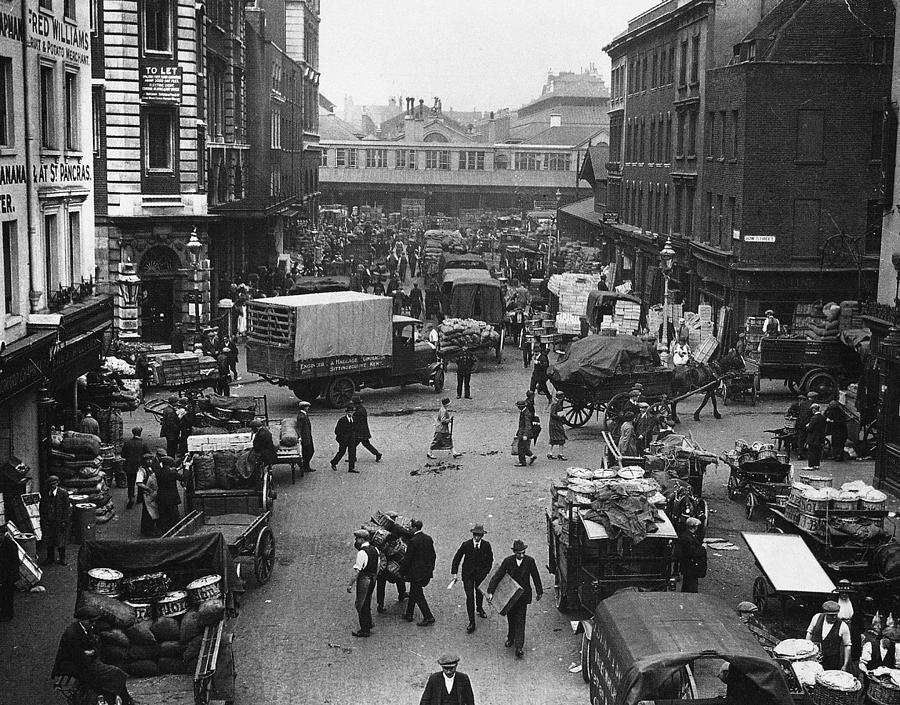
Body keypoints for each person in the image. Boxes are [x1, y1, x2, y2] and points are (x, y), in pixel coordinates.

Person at [54, 609, 135, 705]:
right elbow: (77, 656)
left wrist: (92, 652)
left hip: (86, 660)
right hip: (74, 665)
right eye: (90, 621)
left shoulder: (85, 628)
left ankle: (121, 700)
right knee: (115, 673)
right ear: (82, 620)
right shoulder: (72, 634)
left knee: (113, 674)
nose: (93, 623)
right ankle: (125, 701)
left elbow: (95, 646)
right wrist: (91, 655)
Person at [486, 539, 543, 658]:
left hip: (523, 596)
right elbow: (498, 575)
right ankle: (510, 637)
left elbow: (535, 576)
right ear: (514, 552)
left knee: (521, 620)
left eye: (523, 552)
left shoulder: (530, 561)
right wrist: (490, 591)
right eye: (519, 553)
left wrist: (539, 591)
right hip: (510, 596)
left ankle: (519, 647)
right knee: (511, 619)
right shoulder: (508, 561)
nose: (521, 555)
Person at [451, 524, 493, 634]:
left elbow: (490, 559)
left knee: (479, 593)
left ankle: (479, 608)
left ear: (482, 536)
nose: (477, 537)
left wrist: (486, 572)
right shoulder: (466, 545)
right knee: (470, 597)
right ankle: (472, 622)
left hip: (480, 575)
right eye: (475, 535)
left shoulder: (486, 546)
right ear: (473, 535)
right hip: (468, 575)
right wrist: (454, 573)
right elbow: (457, 558)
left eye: (479, 535)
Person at [401, 518, 436, 626]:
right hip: (425, 572)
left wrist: (402, 571)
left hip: (415, 573)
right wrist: (430, 569)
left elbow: (407, 559)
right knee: (414, 592)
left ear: (415, 528)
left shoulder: (413, 541)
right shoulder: (428, 538)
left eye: (410, 527)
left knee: (418, 595)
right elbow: (433, 556)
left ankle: (428, 616)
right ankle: (409, 614)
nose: (409, 529)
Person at [346, 529, 379, 637]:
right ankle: (368, 623)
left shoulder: (362, 552)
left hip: (364, 580)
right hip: (373, 578)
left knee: (361, 604)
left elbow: (357, 571)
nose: (356, 540)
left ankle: (364, 629)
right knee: (367, 600)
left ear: (362, 539)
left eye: (357, 538)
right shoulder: (375, 549)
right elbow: (378, 565)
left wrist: (350, 584)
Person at [806, 600, 852, 671]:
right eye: (831, 615)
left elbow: (847, 645)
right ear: (825, 613)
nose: (834, 617)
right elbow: (809, 632)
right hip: (814, 657)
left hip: (831, 661)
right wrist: (807, 648)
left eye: (835, 615)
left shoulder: (843, 626)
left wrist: (845, 664)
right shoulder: (816, 617)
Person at [39, 476, 71, 565]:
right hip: (49, 521)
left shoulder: (63, 493)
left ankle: (62, 559)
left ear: (57, 483)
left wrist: (64, 521)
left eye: (54, 483)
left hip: (60, 521)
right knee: (49, 540)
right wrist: (43, 518)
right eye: (51, 484)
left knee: (61, 540)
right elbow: (42, 506)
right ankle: (50, 558)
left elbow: (66, 508)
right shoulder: (45, 493)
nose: (52, 485)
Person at [673, 517, 707, 593]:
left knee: (687, 586)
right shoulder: (687, 538)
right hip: (690, 568)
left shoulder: (687, 535)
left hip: (689, 568)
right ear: (694, 527)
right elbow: (693, 552)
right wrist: (703, 548)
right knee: (691, 588)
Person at [155, 455, 185, 534]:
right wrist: (187, 467)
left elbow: (172, 471)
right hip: (171, 498)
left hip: (161, 497)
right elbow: (184, 477)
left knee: (164, 517)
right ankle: (178, 532)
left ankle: (165, 533)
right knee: (175, 516)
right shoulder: (172, 473)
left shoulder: (158, 472)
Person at [121, 426, 148, 510]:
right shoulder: (143, 443)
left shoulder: (127, 443)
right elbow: (148, 455)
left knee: (130, 483)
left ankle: (131, 496)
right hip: (140, 467)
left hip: (129, 466)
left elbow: (123, 455)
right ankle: (140, 498)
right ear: (140, 433)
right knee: (140, 481)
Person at [352, 395, 382, 462]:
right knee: (366, 444)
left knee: (353, 445)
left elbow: (357, 422)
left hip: (360, 432)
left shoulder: (359, 411)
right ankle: (377, 454)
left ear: (356, 404)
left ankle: (353, 458)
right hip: (363, 432)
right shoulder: (361, 409)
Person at [135, 453, 159, 536]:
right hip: (147, 494)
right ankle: (146, 529)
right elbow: (139, 483)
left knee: (154, 510)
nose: (149, 461)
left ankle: (151, 527)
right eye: (147, 460)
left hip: (153, 493)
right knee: (147, 512)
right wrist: (148, 489)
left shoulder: (152, 468)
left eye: (150, 459)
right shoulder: (141, 470)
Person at [0, 526, 20, 621]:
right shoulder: (3, 544)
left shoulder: (11, 545)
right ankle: (3, 612)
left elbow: (15, 562)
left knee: (8, 595)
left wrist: (11, 576)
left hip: (8, 574)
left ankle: (8, 614)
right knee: (3, 594)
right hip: (3, 574)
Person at [331, 405, 359, 473]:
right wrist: (342, 438)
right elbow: (337, 431)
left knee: (352, 453)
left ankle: (351, 468)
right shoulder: (342, 420)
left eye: (352, 412)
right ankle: (334, 462)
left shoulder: (354, 419)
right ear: (346, 413)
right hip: (343, 440)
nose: (350, 414)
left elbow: (356, 429)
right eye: (349, 412)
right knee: (341, 452)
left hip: (352, 440)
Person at [296, 401, 316, 473]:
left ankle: (306, 466)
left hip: (307, 436)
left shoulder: (304, 415)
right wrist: (299, 437)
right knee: (309, 451)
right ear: (304, 407)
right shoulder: (301, 416)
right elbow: (299, 427)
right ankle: (304, 466)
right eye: (307, 407)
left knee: (308, 452)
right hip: (305, 438)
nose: (308, 408)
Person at [515, 400, 536, 466]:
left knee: (520, 447)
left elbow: (528, 425)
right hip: (522, 432)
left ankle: (522, 462)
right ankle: (531, 456)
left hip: (524, 433)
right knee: (524, 446)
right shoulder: (525, 411)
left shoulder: (525, 413)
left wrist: (525, 435)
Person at [547, 391, 568, 460]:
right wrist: (560, 416)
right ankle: (560, 454)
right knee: (561, 438)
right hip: (555, 423)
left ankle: (550, 453)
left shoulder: (556, 403)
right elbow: (552, 414)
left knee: (553, 439)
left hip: (555, 423)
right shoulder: (555, 404)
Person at [806, 403, 827, 469]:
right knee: (818, 451)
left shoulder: (814, 418)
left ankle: (811, 465)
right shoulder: (823, 417)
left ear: (814, 409)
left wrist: (807, 426)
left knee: (811, 452)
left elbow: (810, 429)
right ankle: (816, 464)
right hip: (820, 437)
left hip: (813, 437)